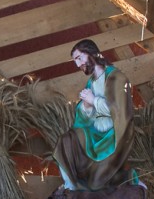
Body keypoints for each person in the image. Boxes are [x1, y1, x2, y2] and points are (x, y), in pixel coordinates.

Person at [53, 39, 134, 191]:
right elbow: (84, 119)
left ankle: (119, 180)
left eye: (79, 58)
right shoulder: (91, 83)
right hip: (95, 133)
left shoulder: (116, 78)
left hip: (113, 136)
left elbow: (119, 110)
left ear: (90, 53)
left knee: (97, 183)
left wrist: (93, 100)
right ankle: (70, 187)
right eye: (75, 61)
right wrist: (86, 106)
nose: (78, 65)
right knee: (66, 141)